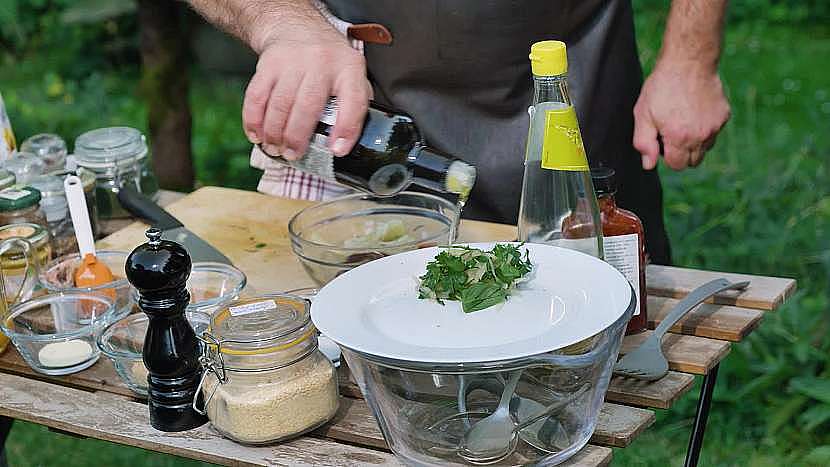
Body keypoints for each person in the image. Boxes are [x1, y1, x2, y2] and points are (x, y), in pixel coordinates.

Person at [186, 0, 730, 265]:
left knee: (587, 350)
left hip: (569, 75)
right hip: (367, 94)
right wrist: (282, 20)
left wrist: (691, 57)